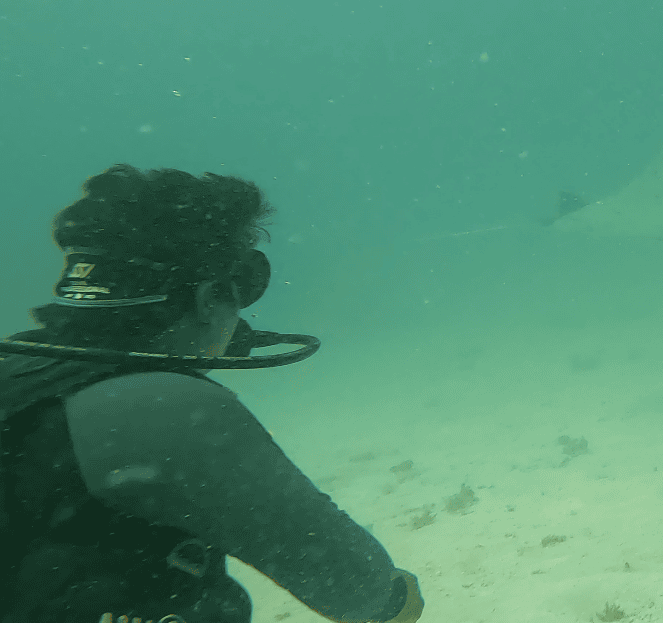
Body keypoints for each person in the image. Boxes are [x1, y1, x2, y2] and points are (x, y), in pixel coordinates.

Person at [0, 165, 425, 623]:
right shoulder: (159, 411)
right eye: (244, 287)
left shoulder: (16, 370)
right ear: (210, 297)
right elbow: (366, 593)